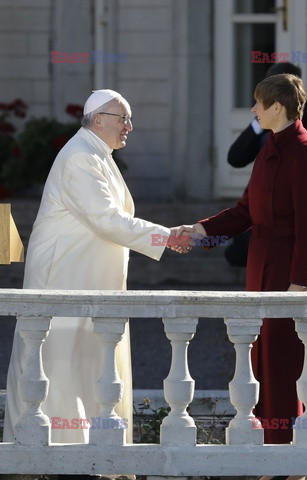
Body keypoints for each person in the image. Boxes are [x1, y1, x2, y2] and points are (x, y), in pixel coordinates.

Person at [3, 89, 188, 479]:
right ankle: (46, 454)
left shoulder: (95, 153)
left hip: (87, 276)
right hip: (64, 277)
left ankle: (91, 453)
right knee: (58, 361)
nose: (129, 128)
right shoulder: (79, 157)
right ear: (99, 119)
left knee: (89, 362)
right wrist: (165, 236)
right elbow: (106, 218)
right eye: (124, 120)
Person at [179, 74, 307, 444]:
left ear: (277, 107)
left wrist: (299, 280)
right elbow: (244, 212)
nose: (253, 110)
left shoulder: (305, 153)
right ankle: (275, 445)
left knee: (289, 358)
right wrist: (200, 230)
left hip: (291, 271)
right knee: (265, 357)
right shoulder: (269, 148)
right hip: (262, 264)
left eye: (258, 103)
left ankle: (297, 449)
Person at [225, 62, 307, 267]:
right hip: (263, 213)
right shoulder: (265, 125)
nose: (257, 106)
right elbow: (235, 159)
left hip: (295, 218)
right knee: (240, 255)